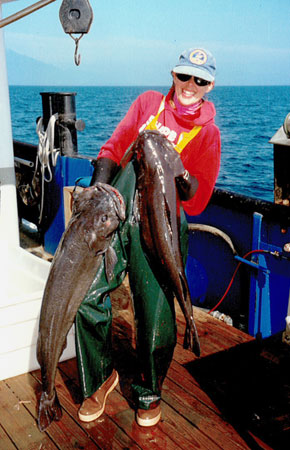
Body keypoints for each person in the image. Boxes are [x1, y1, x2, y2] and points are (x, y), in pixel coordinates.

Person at [75, 47, 221, 427]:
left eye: (200, 80)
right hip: (118, 207)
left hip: (162, 224)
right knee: (86, 293)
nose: (190, 86)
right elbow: (113, 147)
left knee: (155, 314)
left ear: (210, 86)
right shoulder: (148, 103)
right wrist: (96, 194)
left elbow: (199, 199)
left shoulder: (208, 133)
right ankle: (100, 376)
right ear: (173, 75)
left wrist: (181, 175)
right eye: (183, 76)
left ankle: (149, 389)